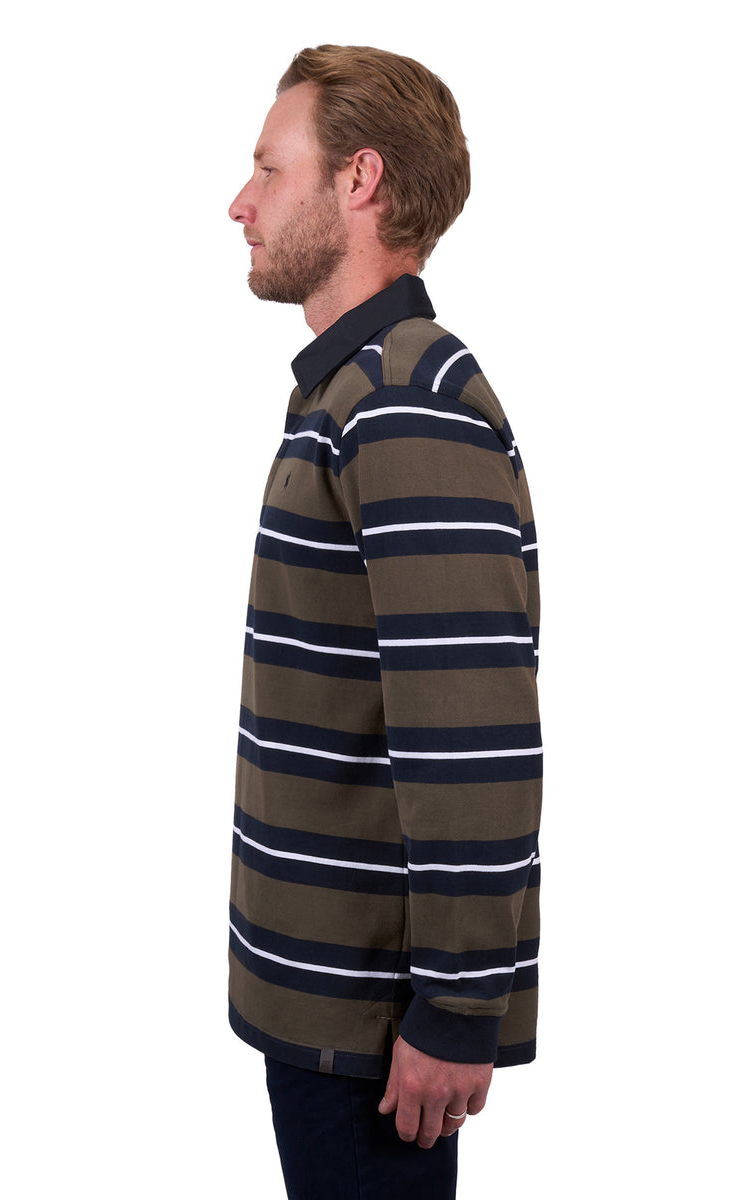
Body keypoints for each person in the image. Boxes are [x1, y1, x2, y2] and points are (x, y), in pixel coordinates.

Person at [227, 45, 542, 1200]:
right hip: (327, 998)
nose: (240, 202)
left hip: (367, 1025)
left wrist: (455, 1008)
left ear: (357, 180)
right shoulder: (351, 390)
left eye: (269, 168)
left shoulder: (404, 402)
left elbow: (469, 729)